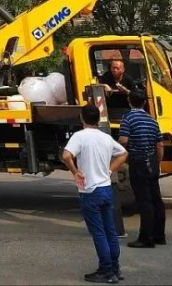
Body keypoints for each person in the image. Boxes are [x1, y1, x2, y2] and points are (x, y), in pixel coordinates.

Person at [62, 103, 129, 284]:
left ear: (82, 118)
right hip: (106, 189)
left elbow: (66, 156)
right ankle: (115, 268)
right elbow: (123, 153)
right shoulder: (105, 137)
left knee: (98, 233)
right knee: (110, 231)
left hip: (90, 190)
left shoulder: (80, 136)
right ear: (98, 119)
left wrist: (75, 172)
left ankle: (106, 270)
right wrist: (109, 170)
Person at [119, 90, 167, 248]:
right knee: (156, 200)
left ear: (129, 101)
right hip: (152, 162)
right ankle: (159, 235)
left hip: (138, 162)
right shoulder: (152, 120)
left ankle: (146, 238)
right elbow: (159, 144)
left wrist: (117, 152)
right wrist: (157, 162)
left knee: (144, 201)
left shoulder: (128, 118)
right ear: (145, 103)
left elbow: (124, 139)